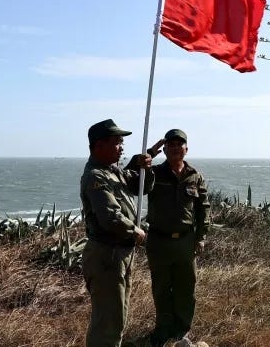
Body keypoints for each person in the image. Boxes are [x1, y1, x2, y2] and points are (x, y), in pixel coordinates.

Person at [80, 119, 164, 347]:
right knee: (107, 321)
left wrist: (145, 163)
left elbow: (141, 187)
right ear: (99, 146)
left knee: (117, 317)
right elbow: (110, 217)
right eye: (117, 143)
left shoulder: (112, 171)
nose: (122, 147)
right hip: (107, 254)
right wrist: (136, 231)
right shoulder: (96, 176)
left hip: (120, 254)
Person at [145, 128, 210, 346]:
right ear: (164, 149)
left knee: (186, 288)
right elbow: (134, 184)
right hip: (159, 241)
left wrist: (201, 236)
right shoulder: (153, 173)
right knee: (161, 288)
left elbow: (203, 208)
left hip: (185, 241)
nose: (175, 148)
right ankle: (163, 330)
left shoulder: (195, 176)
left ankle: (181, 331)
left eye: (179, 145)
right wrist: (147, 155)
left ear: (186, 149)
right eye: (170, 145)